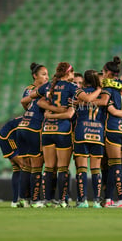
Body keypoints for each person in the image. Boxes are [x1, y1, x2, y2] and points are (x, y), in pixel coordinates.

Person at [46, 70, 104, 208]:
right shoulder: (102, 95)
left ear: (84, 81)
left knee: (81, 169)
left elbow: (70, 110)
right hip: (97, 132)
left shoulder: (78, 94)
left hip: (81, 132)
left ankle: (82, 200)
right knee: (96, 169)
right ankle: (96, 201)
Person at [38, 62, 77, 208]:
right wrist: (61, 111)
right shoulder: (72, 87)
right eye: (72, 73)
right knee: (62, 167)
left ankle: (47, 200)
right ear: (68, 73)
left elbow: (37, 100)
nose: (73, 76)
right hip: (62, 130)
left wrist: (50, 111)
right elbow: (70, 113)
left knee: (48, 167)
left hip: (47, 130)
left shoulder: (48, 86)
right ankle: (62, 200)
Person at [101, 57, 122, 208]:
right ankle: (108, 199)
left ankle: (121, 200)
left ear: (107, 73)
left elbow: (111, 110)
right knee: (113, 165)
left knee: (115, 165)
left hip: (114, 128)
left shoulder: (108, 87)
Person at [15, 62, 50, 208]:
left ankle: (23, 199)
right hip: (34, 128)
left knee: (26, 167)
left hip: (22, 127)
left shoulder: (28, 89)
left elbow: (25, 104)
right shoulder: (45, 89)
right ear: (35, 76)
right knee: (36, 166)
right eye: (43, 74)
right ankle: (35, 201)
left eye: (47, 74)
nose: (47, 77)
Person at [0, 116, 24, 208]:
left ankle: (16, 200)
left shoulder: (31, 116)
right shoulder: (37, 119)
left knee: (17, 169)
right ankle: (23, 199)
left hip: (11, 137)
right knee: (24, 166)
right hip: (8, 138)